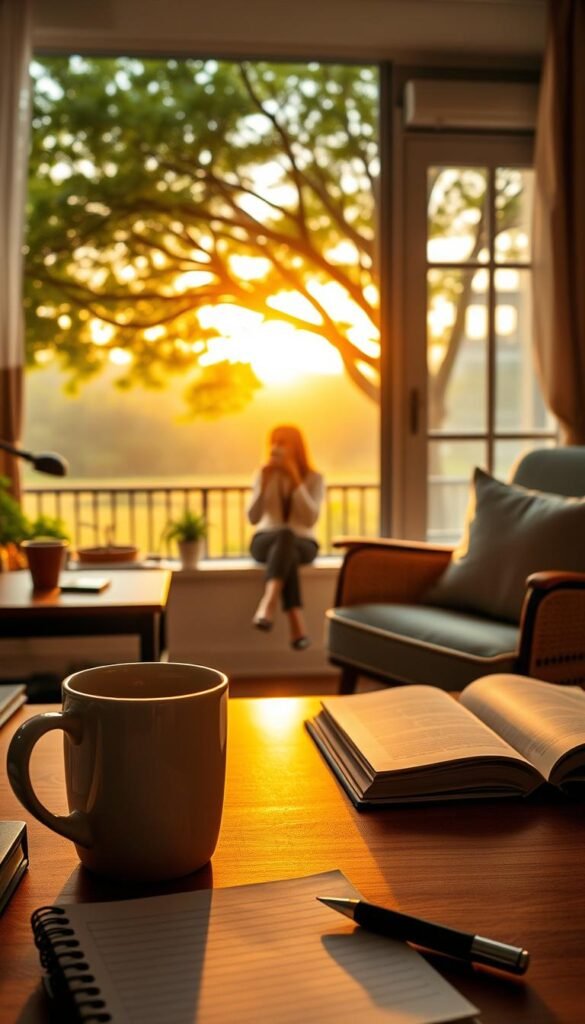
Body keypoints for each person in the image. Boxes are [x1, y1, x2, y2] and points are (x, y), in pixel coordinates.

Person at [247, 425, 325, 650]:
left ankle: (268, 603)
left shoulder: (314, 478)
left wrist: (295, 481)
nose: (277, 447)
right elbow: (253, 518)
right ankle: (296, 623)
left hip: (303, 542)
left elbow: (310, 519)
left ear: (296, 447)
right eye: (274, 442)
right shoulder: (262, 475)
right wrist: (263, 484)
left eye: (283, 442)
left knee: (288, 539)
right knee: (283, 538)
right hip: (265, 540)